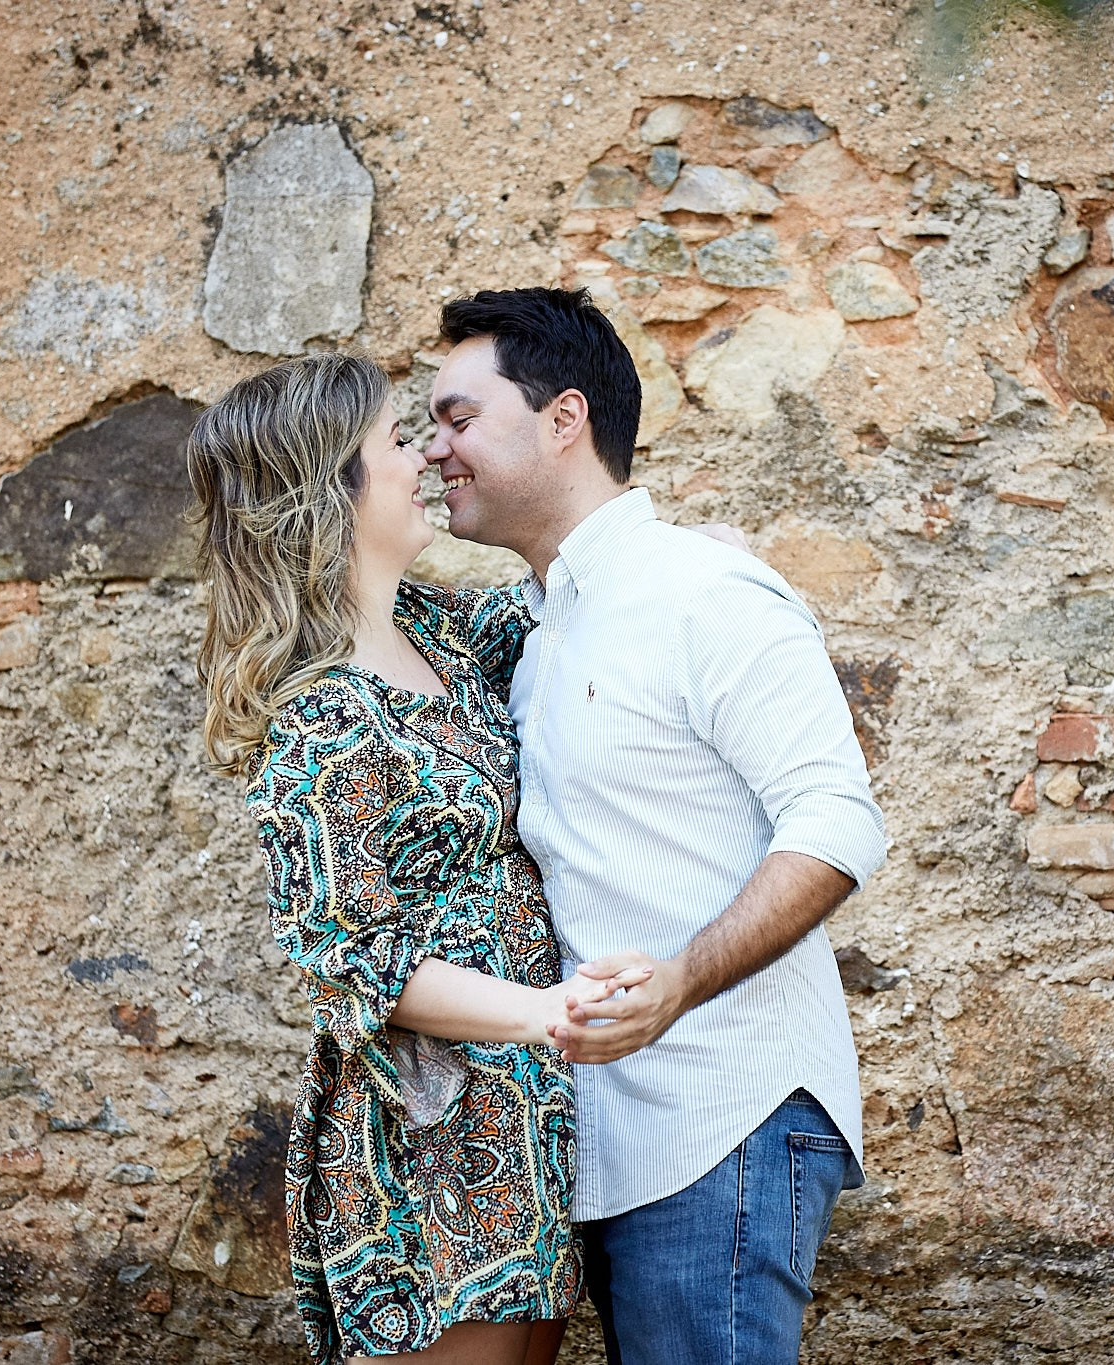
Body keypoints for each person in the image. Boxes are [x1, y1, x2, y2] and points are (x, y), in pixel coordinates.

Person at [425, 288, 887, 1365]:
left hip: (719, 1114)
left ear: (561, 419)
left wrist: (678, 981)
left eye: (455, 417)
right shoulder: (543, 636)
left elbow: (836, 823)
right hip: (612, 1136)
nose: (434, 447)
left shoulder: (701, 591)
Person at [185, 351, 654, 1365]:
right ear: (330, 492)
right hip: (433, 1133)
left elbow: (583, 606)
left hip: (527, 1112)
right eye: (392, 444)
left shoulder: (443, 634)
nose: (422, 459)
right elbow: (348, 961)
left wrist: (691, 559)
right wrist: (545, 1013)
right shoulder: (320, 715)